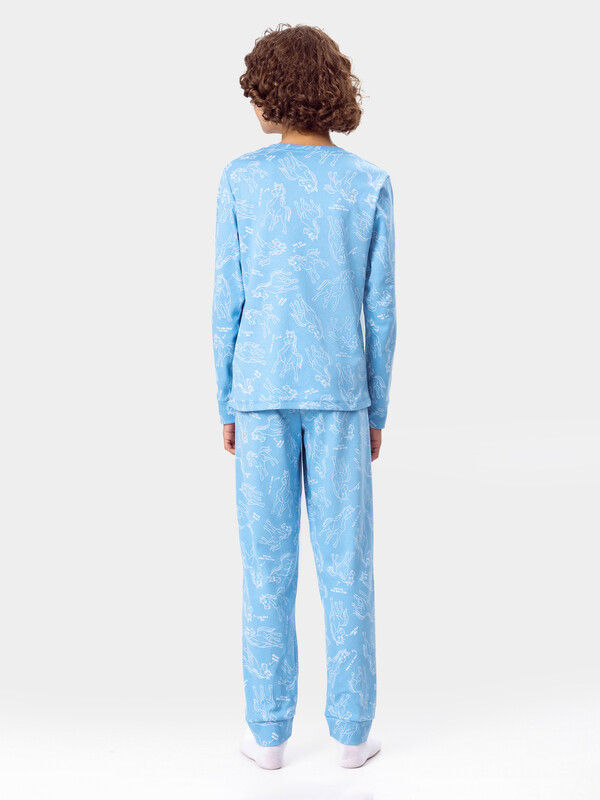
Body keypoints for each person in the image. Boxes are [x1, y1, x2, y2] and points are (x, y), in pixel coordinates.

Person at [212, 23, 396, 770]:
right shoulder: (368, 183)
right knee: (347, 564)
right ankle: (352, 736)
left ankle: (268, 737)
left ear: (269, 95)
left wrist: (226, 399)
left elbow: (227, 301)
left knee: (266, 564)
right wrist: (377, 406)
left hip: (259, 392)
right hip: (342, 395)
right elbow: (380, 309)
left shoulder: (241, 180)